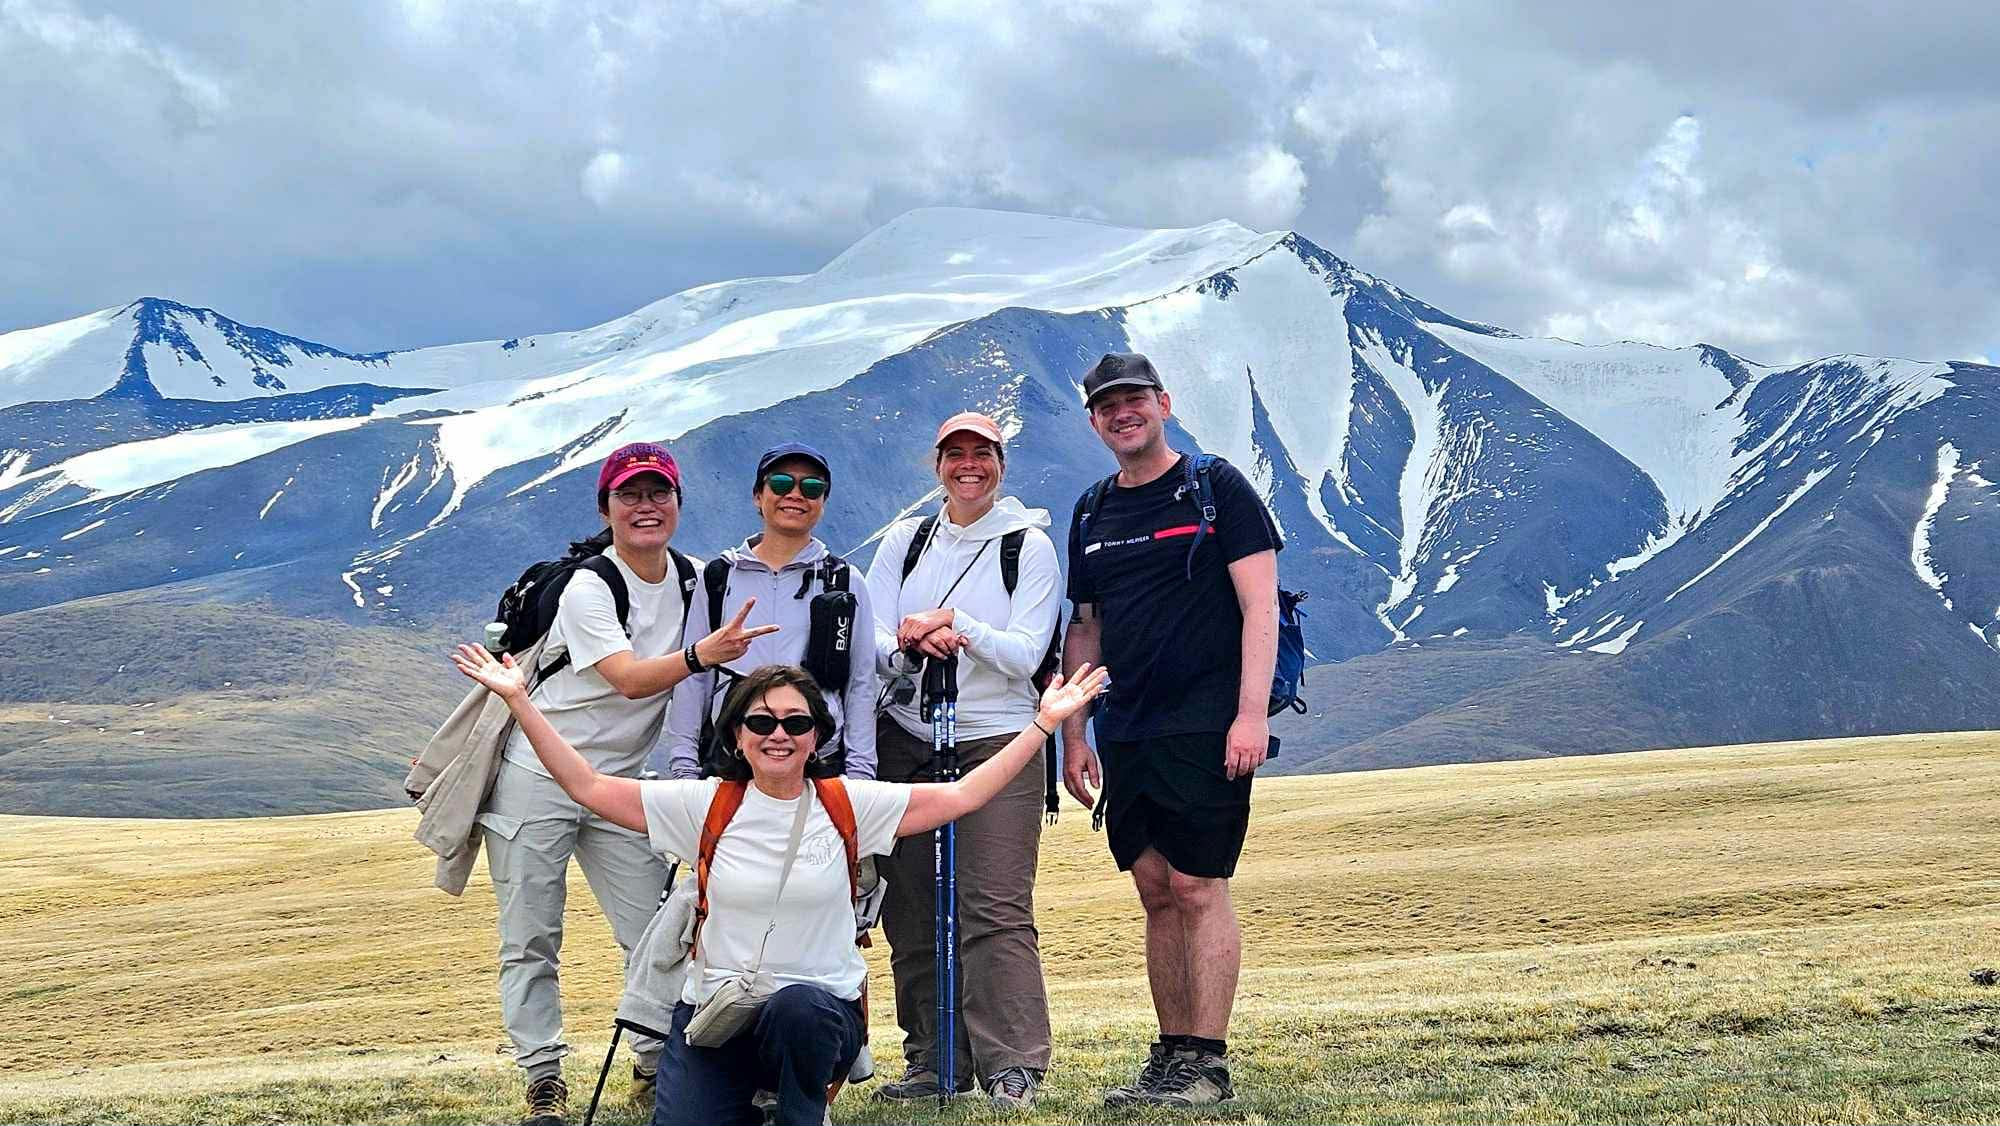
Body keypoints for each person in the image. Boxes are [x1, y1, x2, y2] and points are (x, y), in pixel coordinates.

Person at [450, 652, 1111, 1126]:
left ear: (817, 737)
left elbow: (966, 793)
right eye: (761, 723)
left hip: (815, 1016)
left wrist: (1044, 723)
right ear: (736, 736)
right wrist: (519, 700)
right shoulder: (701, 804)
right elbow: (589, 787)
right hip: (716, 1018)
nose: (779, 735)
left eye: (796, 723)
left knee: (799, 1007)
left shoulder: (849, 804)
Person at [479, 442, 779, 1126]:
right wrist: (704, 653)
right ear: (607, 507)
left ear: (677, 502)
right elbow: (627, 676)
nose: (646, 507)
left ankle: (654, 1065)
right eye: (630, 495)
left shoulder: (696, 579)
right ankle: (543, 1083)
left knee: (656, 929)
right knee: (530, 934)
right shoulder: (590, 585)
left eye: (658, 494)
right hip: (539, 772)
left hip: (622, 782)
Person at [1058, 353, 1284, 1108]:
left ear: (1164, 403)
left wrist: (1249, 716)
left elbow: (1261, 606)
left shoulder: (1216, 488)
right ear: (1094, 420)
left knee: (1196, 883)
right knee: (1154, 888)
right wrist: (1076, 732)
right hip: (1126, 725)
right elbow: (1085, 628)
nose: (1124, 414)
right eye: (1108, 406)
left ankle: (1209, 1065)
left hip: (1205, 718)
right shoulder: (1091, 510)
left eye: (1135, 401)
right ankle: (1172, 1054)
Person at [861, 411, 1063, 1109]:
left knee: (993, 903)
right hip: (907, 734)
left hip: (998, 739)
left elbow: (1027, 654)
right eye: (955, 454)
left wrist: (956, 627)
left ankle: (1013, 1064)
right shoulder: (906, 539)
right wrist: (910, 645)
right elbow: (874, 636)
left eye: (982, 454)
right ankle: (932, 1057)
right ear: (936, 462)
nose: (967, 465)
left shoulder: (1026, 546)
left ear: (1001, 464)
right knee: (911, 902)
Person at [658, 443, 878, 783]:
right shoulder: (719, 578)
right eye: (780, 483)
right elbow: (695, 676)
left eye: (812, 487)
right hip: (732, 758)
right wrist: (684, 767)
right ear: (758, 496)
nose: (795, 494)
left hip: (818, 758)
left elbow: (861, 682)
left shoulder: (845, 581)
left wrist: (861, 774)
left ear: (822, 502)